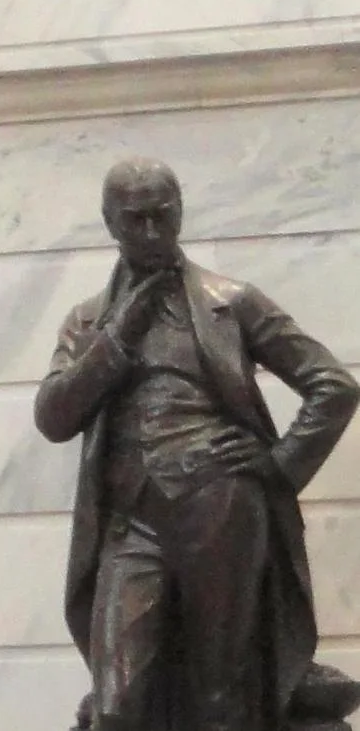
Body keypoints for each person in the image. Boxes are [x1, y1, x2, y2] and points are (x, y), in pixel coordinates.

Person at [37, 158, 357, 731]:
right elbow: (55, 417)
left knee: (221, 695)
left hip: (223, 510)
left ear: (181, 210)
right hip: (131, 526)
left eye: (165, 215)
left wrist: (282, 466)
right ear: (110, 224)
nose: (154, 232)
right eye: (137, 220)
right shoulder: (87, 322)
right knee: (117, 703)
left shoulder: (230, 302)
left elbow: (333, 385)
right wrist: (119, 336)